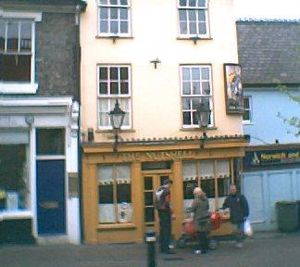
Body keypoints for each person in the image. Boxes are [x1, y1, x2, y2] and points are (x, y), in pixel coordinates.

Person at [222, 184, 249, 248]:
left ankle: (240, 241)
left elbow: (245, 206)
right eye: (231, 190)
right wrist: (224, 209)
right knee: (235, 231)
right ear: (229, 190)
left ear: (236, 189)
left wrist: (246, 215)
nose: (232, 190)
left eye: (233, 189)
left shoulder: (241, 197)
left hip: (241, 217)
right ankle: (238, 241)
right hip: (233, 218)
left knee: (241, 231)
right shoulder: (228, 198)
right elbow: (224, 206)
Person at [188, 187, 210, 255]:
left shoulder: (196, 200)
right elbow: (207, 207)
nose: (194, 195)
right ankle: (205, 248)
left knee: (200, 235)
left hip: (199, 219)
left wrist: (189, 212)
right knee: (204, 234)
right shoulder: (206, 199)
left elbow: (192, 209)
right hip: (205, 218)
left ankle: (201, 249)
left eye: (194, 194)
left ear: (197, 193)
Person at [155, 179, 175, 254]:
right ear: (169, 184)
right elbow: (167, 202)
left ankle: (162, 248)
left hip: (160, 212)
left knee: (162, 230)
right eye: (170, 185)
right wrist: (172, 213)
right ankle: (167, 249)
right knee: (167, 230)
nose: (171, 187)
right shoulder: (167, 191)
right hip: (165, 212)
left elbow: (156, 202)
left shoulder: (158, 190)